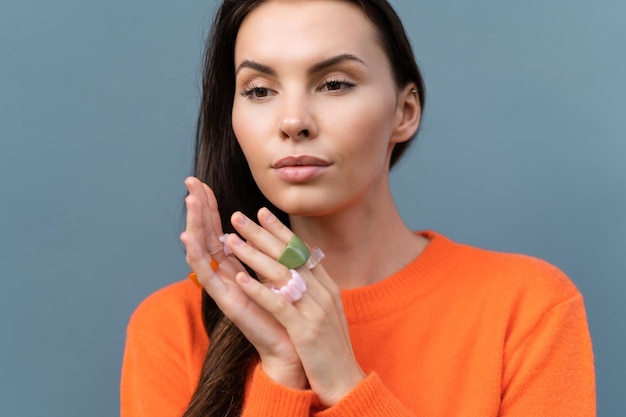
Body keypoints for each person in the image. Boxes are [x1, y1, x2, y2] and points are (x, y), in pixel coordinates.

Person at [120, 0, 596, 416]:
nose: (292, 122)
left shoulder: (529, 308)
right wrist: (281, 372)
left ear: (404, 112)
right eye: (260, 90)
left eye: (334, 84)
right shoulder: (171, 326)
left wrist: (345, 385)